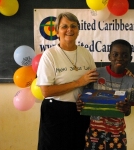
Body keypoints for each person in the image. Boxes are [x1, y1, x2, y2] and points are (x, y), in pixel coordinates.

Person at [36, 12, 99, 150]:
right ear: (57, 31)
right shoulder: (49, 55)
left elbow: (95, 80)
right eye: (64, 26)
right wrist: (78, 82)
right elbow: (45, 91)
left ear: (78, 30)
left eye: (73, 26)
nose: (69, 29)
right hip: (55, 111)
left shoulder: (85, 53)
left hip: (80, 111)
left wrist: (124, 74)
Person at [76, 39, 134, 150]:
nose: (119, 58)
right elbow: (84, 98)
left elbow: (128, 112)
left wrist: (126, 109)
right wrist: (80, 104)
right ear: (109, 56)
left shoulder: (132, 82)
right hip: (94, 131)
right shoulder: (96, 74)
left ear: (130, 59)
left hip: (117, 133)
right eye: (115, 54)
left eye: (124, 55)